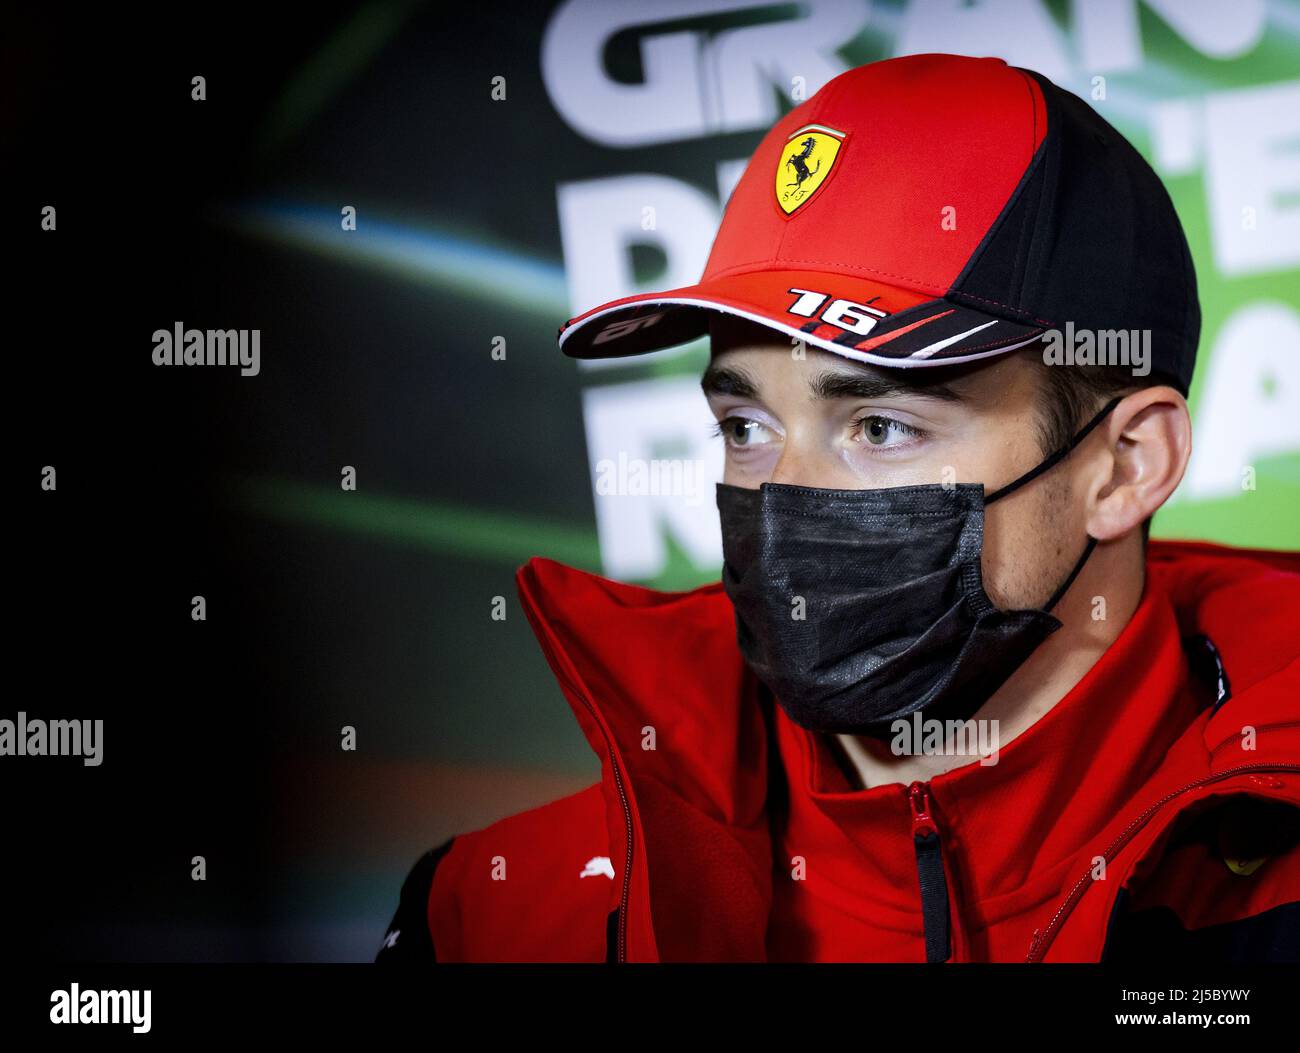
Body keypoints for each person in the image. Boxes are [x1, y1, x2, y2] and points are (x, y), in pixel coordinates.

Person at [376, 53, 1300, 963]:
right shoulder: (496, 915)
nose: (782, 498)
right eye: (745, 426)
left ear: (1127, 463)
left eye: (882, 426)